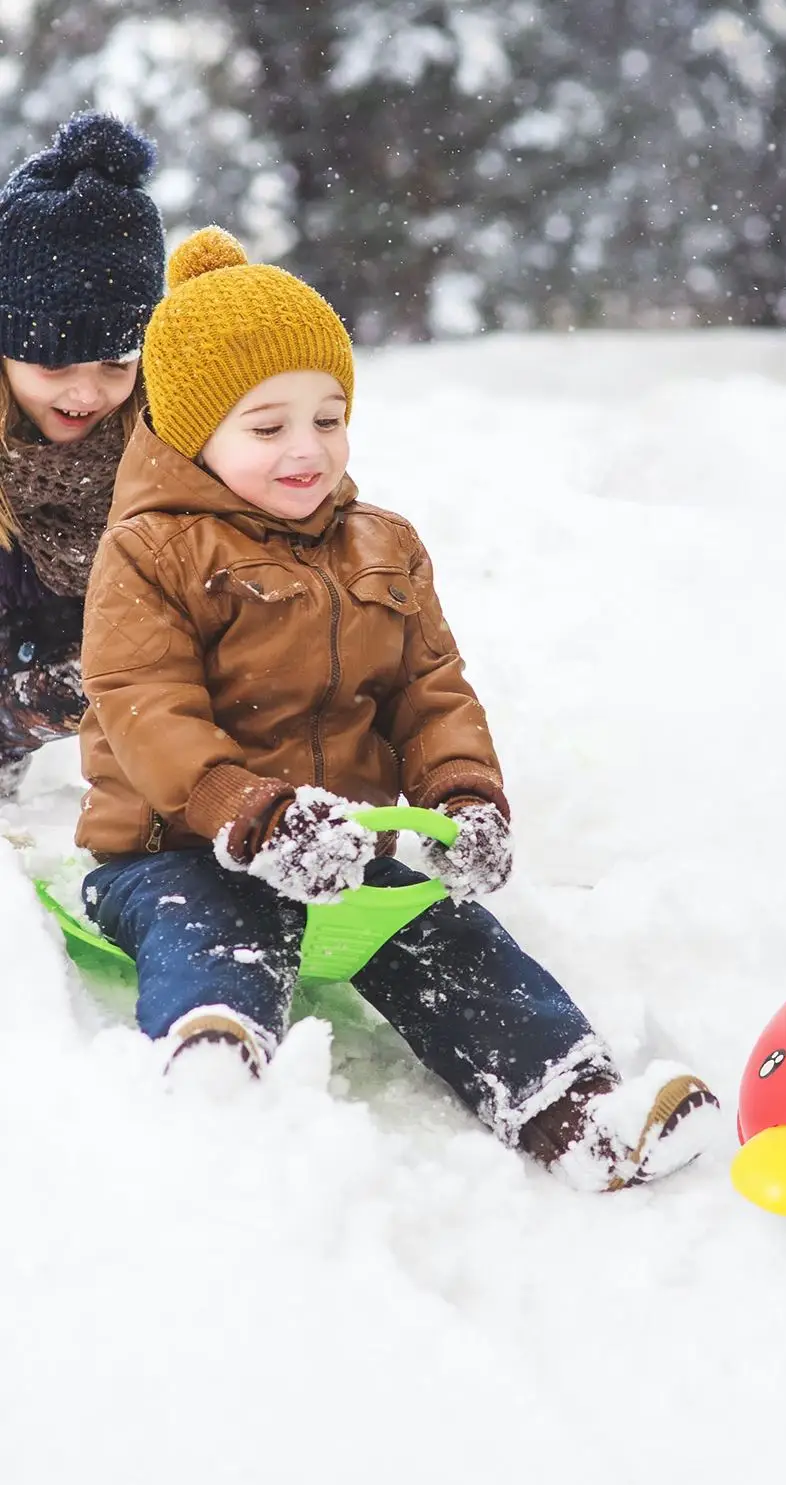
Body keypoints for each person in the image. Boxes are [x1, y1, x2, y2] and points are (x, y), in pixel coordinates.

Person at [75, 227, 719, 1191]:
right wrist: (247, 814)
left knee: (451, 942)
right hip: (177, 843)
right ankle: (214, 1059)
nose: (307, 448)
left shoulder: (384, 544)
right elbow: (144, 706)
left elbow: (431, 691)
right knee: (214, 921)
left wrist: (464, 797)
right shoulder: (152, 552)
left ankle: (580, 1113)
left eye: (329, 418)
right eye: (267, 427)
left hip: (351, 845)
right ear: (189, 434)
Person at [0, 112, 164, 800]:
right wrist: (35, 701)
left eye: (115, 361)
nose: (86, 390)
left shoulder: (172, 453)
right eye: (52, 361)